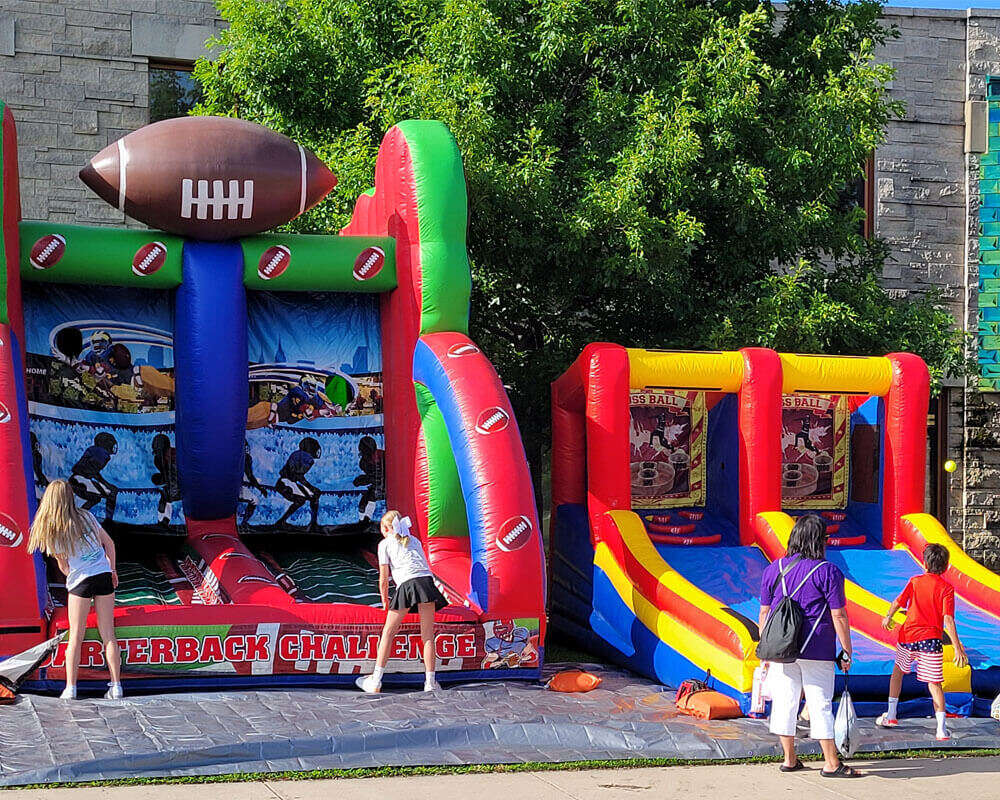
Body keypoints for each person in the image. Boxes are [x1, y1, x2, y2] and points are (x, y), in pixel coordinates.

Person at [758, 514, 857, 777]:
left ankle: (790, 759)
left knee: (785, 702)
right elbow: (839, 615)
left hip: (781, 649)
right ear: (819, 541)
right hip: (817, 647)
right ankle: (831, 763)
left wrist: (768, 647)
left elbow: (764, 614)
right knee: (819, 703)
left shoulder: (773, 569)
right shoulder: (828, 572)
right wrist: (846, 649)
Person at [27, 479, 122, 700]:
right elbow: (110, 544)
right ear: (71, 497)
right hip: (103, 575)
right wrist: (112, 569)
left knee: (76, 636)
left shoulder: (56, 529)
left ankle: (70, 688)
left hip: (81, 580)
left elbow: (64, 566)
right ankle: (116, 686)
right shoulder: (87, 516)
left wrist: (73, 576)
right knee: (108, 634)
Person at [877, 543, 968, 740]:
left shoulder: (915, 581)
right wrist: (957, 646)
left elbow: (898, 602)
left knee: (897, 673)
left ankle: (891, 715)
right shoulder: (946, 588)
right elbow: (948, 619)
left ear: (924, 563)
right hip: (931, 640)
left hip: (908, 636)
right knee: (934, 683)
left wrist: (888, 617)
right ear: (945, 566)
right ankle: (941, 729)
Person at [356, 510, 448, 694]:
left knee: (388, 633)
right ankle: (430, 683)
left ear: (386, 528)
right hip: (426, 583)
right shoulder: (415, 541)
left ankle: (376, 680)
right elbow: (422, 567)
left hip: (408, 584)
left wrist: (384, 601)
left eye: (382, 528)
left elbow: (384, 578)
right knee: (428, 636)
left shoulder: (385, 544)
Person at [69, 432, 119, 525]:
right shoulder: (102, 454)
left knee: (96, 498)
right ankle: (109, 521)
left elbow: (93, 472)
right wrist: (106, 485)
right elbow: (92, 472)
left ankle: (79, 515)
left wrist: (105, 484)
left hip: (77, 479)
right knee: (111, 493)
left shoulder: (95, 450)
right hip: (81, 480)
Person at [274, 436, 322, 530]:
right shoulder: (307, 458)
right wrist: (311, 487)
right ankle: (313, 524)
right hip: (287, 483)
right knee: (314, 496)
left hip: (283, 482)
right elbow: (298, 475)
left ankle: (281, 522)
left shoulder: (297, 454)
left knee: (300, 500)